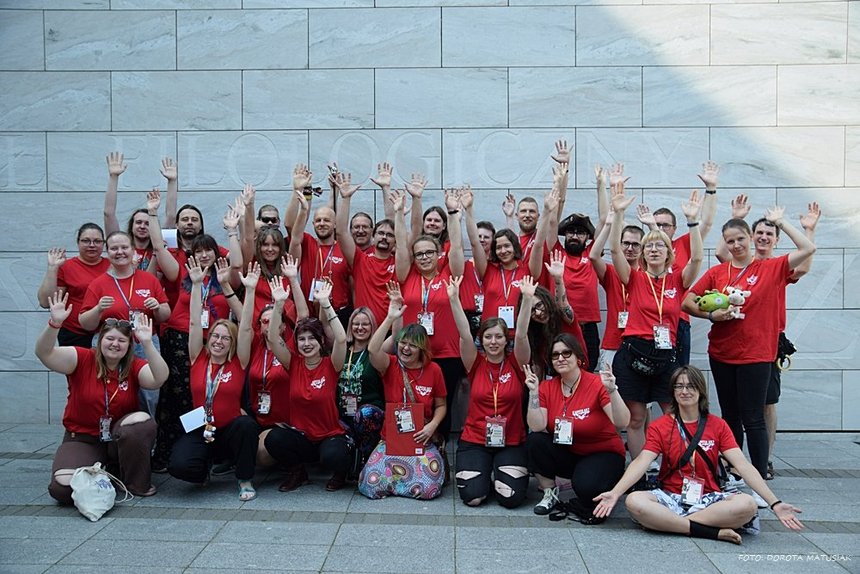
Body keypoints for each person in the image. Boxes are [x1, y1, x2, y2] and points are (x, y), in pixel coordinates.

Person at [681, 209, 816, 497]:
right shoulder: (718, 272)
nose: (736, 245)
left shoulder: (771, 267)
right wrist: (711, 315)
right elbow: (687, 301)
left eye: (740, 239)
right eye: (730, 241)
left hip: (757, 355)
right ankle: (734, 473)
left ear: (750, 239)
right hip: (722, 353)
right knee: (730, 416)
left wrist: (781, 222)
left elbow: (807, 249)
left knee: (754, 418)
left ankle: (759, 481)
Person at [593, 366, 804, 545]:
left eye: (691, 386)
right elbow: (642, 461)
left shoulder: (717, 425)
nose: (685, 391)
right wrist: (615, 493)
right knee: (634, 501)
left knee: (747, 505)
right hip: (671, 496)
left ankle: (671, 523)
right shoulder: (661, 426)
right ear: (673, 392)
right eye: (679, 386)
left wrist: (775, 503)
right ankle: (710, 531)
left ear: (701, 390)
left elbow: (743, 465)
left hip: (710, 499)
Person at [716, 197, 820, 479]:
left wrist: (808, 229)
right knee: (734, 410)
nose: (763, 237)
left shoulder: (776, 266)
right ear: (751, 237)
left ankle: (765, 460)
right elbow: (723, 253)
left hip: (767, 343)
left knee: (765, 404)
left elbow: (805, 264)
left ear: (775, 239)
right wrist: (735, 218)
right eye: (759, 232)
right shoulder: (738, 264)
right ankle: (735, 463)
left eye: (768, 233)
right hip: (734, 343)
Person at [35, 292, 168, 503]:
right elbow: (44, 354)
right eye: (110, 339)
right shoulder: (81, 358)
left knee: (142, 423)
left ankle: (133, 482)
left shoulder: (133, 365)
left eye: (122, 340)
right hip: (83, 438)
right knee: (62, 489)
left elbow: (159, 378)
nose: (115, 344)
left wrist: (147, 343)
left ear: (128, 346)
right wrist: (55, 324)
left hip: (118, 439)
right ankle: (104, 472)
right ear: (100, 341)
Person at [608, 182, 703, 464]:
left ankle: (676, 466)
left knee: (674, 413)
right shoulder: (635, 278)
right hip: (634, 354)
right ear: (642, 253)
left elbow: (697, 257)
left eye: (659, 245)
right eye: (648, 245)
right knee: (636, 418)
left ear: (669, 252)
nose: (653, 249)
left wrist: (693, 222)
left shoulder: (677, 280)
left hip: (665, 356)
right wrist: (618, 214)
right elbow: (615, 252)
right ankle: (641, 471)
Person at [168, 258, 260, 501]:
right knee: (178, 465)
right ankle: (203, 470)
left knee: (247, 425)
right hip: (201, 427)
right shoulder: (198, 357)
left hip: (230, 430)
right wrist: (197, 284)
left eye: (225, 338)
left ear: (232, 343)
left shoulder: (238, 362)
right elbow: (193, 322)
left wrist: (250, 290)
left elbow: (247, 328)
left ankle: (244, 479)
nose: (219, 341)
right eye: (215, 336)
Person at [447, 274, 533, 508]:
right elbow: (464, 333)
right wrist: (454, 299)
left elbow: (522, 334)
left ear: (506, 340)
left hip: (511, 440)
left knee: (510, 499)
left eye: (499, 337)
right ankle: (486, 476)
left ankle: (498, 476)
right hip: (475, 439)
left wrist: (527, 300)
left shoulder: (517, 363)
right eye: (488, 337)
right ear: (482, 340)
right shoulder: (475, 364)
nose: (493, 342)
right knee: (473, 497)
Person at [526, 334, 630, 519]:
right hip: (568, 451)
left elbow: (622, 422)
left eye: (566, 353)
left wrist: (612, 390)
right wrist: (533, 393)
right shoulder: (547, 387)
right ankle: (550, 492)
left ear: (578, 357)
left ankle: (603, 480)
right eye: (555, 355)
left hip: (602, 452)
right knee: (535, 441)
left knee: (587, 490)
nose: (560, 358)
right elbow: (537, 426)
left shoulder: (597, 383)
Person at [264, 280, 353, 492]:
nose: (306, 344)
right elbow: (273, 338)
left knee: (334, 455)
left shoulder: (331, 364)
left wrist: (326, 304)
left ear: (320, 341)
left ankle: (340, 473)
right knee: (274, 438)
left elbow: (341, 340)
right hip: (302, 437)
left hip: (330, 435)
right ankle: (298, 472)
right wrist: (278, 304)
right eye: (301, 339)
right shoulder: (293, 363)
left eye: (311, 338)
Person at [394, 187, 466, 446]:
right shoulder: (407, 275)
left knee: (441, 404)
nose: (424, 257)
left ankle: (440, 449)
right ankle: (409, 446)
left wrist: (453, 212)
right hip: (413, 353)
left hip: (447, 353)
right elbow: (401, 245)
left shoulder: (449, 274)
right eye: (419, 254)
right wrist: (398, 214)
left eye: (429, 253)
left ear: (438, 254)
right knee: (412, 401)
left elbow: (457, 246)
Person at [359, 300, 448, 500]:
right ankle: (404, 485)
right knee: (369, 485)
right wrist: (390, 318)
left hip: (421, 440)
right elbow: (373, 350)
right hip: (391, 440)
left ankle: (397, 485)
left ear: (422, 349)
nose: (406, 348)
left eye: (413, 345)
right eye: (403, 343)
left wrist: (432, 426)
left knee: (429, 489)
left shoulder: (434, 370)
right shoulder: (390, 365)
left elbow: (441, 405)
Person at [637, 161, 720, 367]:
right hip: (647, 322)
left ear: (674, 228)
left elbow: (707, 223)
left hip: (679, 319)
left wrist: (710, 189)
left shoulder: (683, 244)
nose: (660, 228)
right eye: (656, 224)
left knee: (678, 374)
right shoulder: (646, 251)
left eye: (665, 225)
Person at [334, 170, 397, 327]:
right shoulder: (360, 260)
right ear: (374, 236)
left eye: (389, 235)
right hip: (365, 329)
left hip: (392, 330)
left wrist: (386, 189)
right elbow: (340, 232)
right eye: (380, 233)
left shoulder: (400, 261)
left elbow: (393, 224)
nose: (384, 237)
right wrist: (345, 198)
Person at [37, 223, 110, 347]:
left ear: (103, 244)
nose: (92, 245)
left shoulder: (112, 266)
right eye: (86, 241)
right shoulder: (66, 266)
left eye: (97, 241)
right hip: (74, 334)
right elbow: (45, 302)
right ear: (78, 242)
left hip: (108, 334)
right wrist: (52, 268)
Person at [589, 214, 645, 370]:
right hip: (613, 343)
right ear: (619, 245)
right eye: (626, 243)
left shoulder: (647, 275)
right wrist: (608, 225)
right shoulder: (611, 272)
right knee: (609, 386)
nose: (630, 248)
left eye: (635, 244)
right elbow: (593, 256)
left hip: (641, 344)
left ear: (642, 248)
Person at [337, 305, 386, 472]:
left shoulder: (377, 351)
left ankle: (367, 461)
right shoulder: (342, 350)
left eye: (365, 324)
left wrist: (393, 315)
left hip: (369, 413)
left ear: (372, 326)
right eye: (356, 324)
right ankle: (343, 468)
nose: (360, 328)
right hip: (344, 412)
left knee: (364, 414)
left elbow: (394, 337)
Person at [103, 152, 155, 271]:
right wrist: (113, 177)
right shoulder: (121, 246)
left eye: (147, 223)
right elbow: (108, 214)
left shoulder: (158, 251)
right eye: (138, 222)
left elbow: (171, 217)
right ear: (131, 225)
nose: (142, 226)